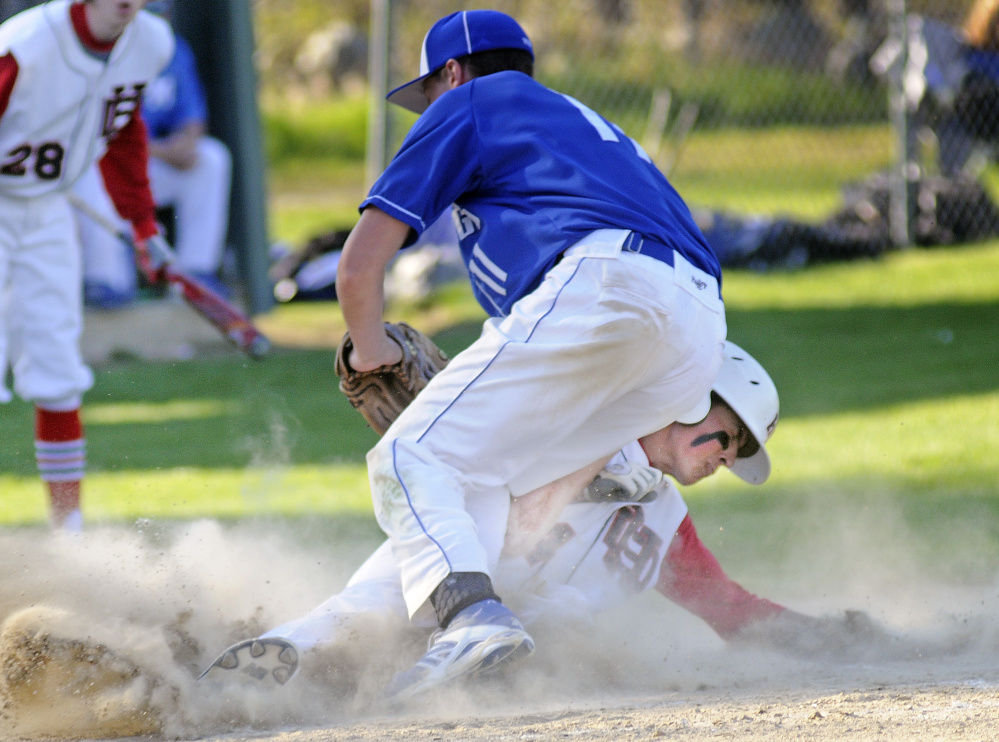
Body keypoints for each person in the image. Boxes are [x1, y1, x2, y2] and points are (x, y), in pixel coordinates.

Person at [333, 9, 726, 700]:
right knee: (492, 485)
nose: (427, 109)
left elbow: (359, 266)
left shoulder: (475, 102)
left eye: (428, 92)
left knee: (408, 455)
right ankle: (398, 633)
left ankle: (469, 617)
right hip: (694, 331)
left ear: (452, 73)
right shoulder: (574, 128)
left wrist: (368, 352)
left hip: (608, 288)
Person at [202, 343, 871, 698]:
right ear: (691, 398)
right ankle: (276, 659)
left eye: (738, 453)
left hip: (516, 636)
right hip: (455, 566)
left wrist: (836, 636)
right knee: (370, 607)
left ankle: (411, 673)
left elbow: (727, 607)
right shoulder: (583, 413)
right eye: (728, 438)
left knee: (564, 618)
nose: (726, 458)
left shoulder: (667, 522)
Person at [0, 0, 174, 528]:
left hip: (49, 207)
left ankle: (69, 540)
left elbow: (122, 131)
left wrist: (143, 223)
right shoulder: (26, 43)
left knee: (58, 371)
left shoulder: (150, 41)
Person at [73, 0, 231, 308]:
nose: (156, 20)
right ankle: (107, 280)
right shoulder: (100, 50)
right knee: (91, 170)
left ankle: (195, 273)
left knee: (212, 157)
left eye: (162, 12)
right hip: (105, 165)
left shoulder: (172, 49)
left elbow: (192, 120)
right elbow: (92, 136)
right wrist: (159, 149)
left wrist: (186, 143)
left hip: (153, 164)